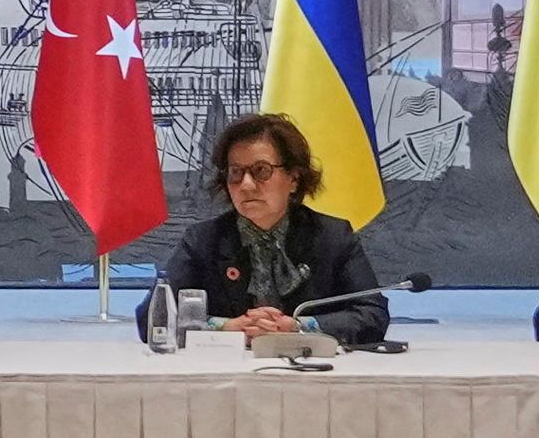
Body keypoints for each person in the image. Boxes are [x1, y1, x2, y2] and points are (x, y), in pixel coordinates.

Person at [153, 107, 388, 339]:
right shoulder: (203, 240)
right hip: (228, 361)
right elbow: (154, 318)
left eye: (261, 170)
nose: (246, 185)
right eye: (236, 172)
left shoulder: (331, 237)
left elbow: (373, 314)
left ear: (294, 178)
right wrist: (227, 328)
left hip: (308, 360)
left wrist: (298, 327)